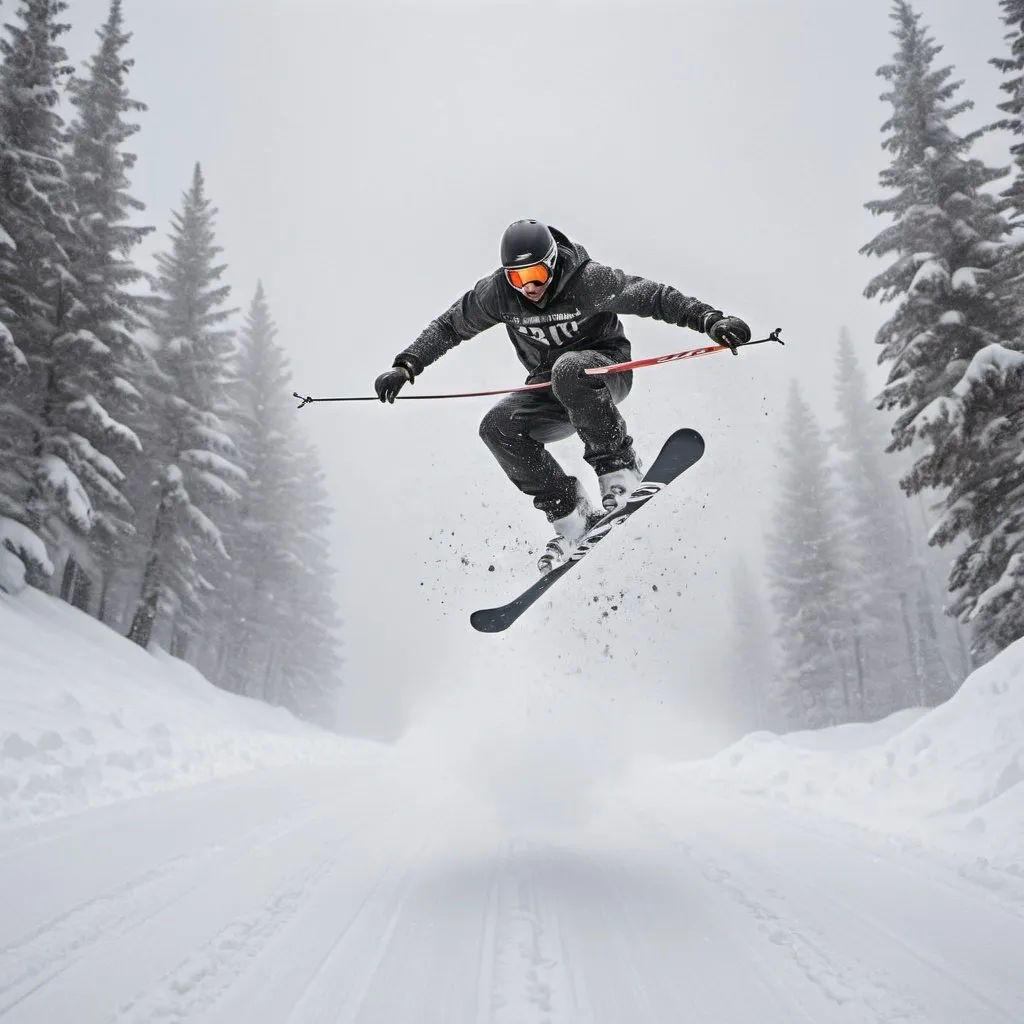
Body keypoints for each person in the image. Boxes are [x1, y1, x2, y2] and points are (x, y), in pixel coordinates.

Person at [374, 220, 751, 573]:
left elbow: (655, 297)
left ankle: (619, 469)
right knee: (497, 427)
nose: (528, 286)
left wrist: (711, 320)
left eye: (536, 274)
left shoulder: (588, 280)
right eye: (518, 277)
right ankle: (570, 514)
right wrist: (407, 365)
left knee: (569, 368)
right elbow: (449, 326)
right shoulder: (497, 295)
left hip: (603, 372)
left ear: (553, 263)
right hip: (549, 387)